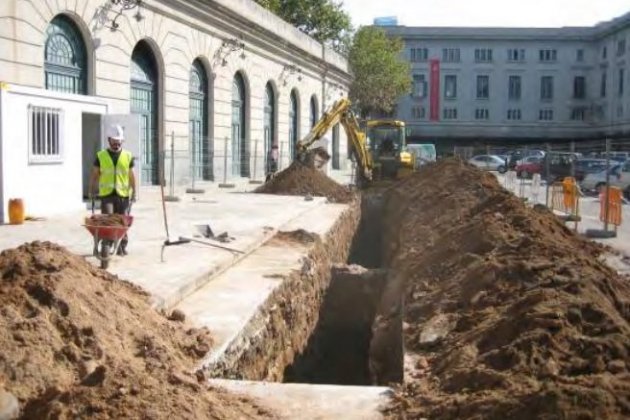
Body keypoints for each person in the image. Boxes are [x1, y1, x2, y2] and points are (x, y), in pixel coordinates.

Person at [89, 124, 136, 255]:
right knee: (108, 220)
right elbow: (95, 174)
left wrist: (135, 192)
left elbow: (131, 176)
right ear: (109, 140)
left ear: (122, 141)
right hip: (107, 195)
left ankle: (122, 246)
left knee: (123, 221)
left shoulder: (128, 156)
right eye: (114, 141)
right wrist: (91, 190)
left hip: (123, 195)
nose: (116, 143)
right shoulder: (101, 155)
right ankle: (107, 243)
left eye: (118, 141)